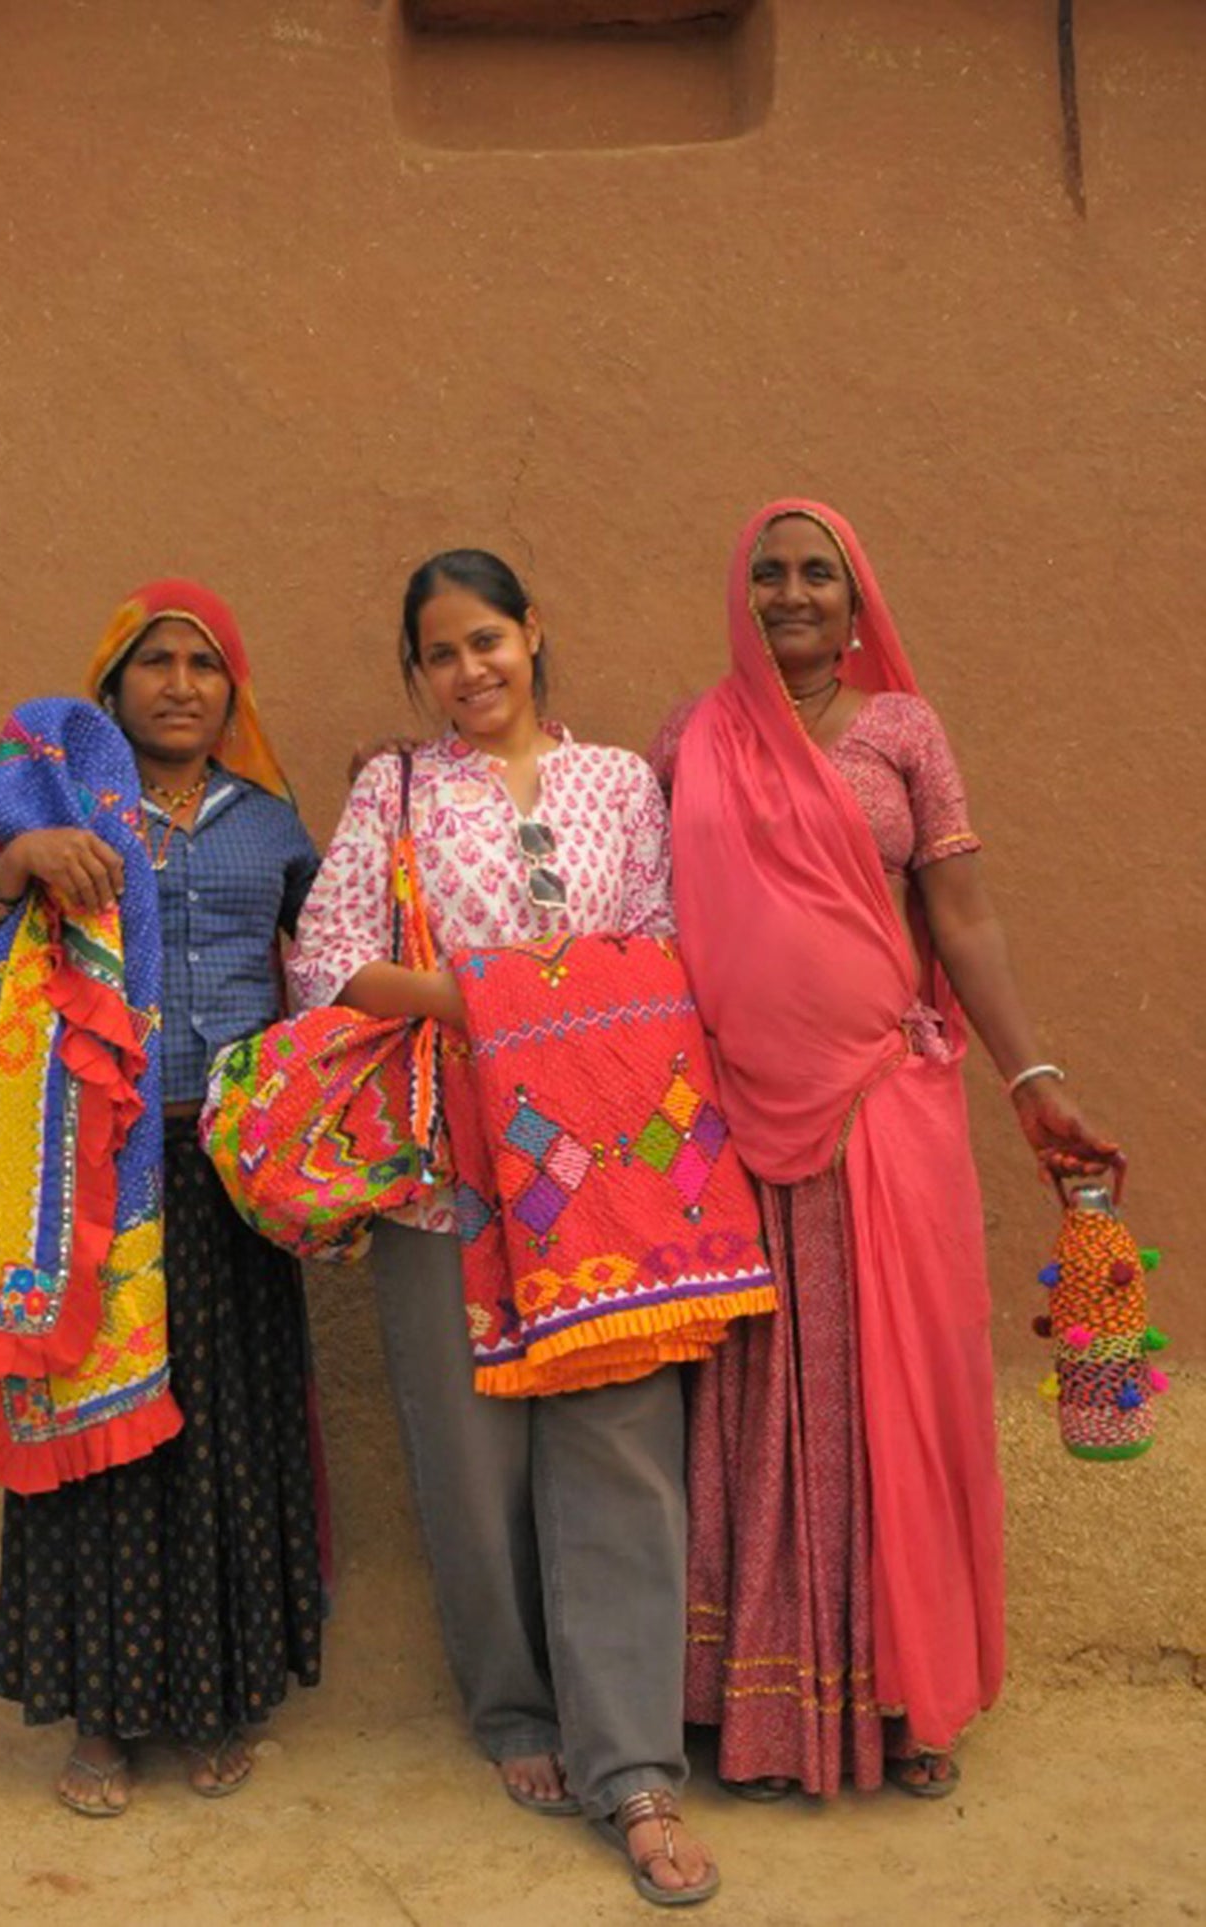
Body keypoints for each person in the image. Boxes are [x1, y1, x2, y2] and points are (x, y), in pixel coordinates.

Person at [0, 580, 325, 1816]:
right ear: (112, 682)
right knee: (95, 1436)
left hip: (231, 1180)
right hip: (88, 1182)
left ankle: (216, 1695)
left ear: (231, 690)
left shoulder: (277, 826)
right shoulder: (45, 809)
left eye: (206, 663)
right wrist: (12, 868)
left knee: (226, 1439)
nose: (182, 684)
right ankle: (100, 1715)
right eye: (155, 660)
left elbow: (315, 973)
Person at [657, 500, 1119, 1801]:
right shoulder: (688, 740)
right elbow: (612, 890)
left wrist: (1031, 1074)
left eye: (820, 573)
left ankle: (911, 1695)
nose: (792, 593)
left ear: (859, 605)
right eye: (769, 573)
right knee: (758, 1407)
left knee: (897, 1393)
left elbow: (962, 920)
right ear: (740, 597)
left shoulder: (904, 733)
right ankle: (756, 1710)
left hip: (881, 1107)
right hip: (735, 1124)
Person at [287, 550, 721, 1905]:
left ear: (535, 631)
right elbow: (327, 952)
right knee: (470, 1448)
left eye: (488, 640)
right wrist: (487, 1003)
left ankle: (632, 1756)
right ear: (416, 675)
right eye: (440, 655)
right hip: (443, 1161)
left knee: (623, 1440)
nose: (470, 671)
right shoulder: (393, 790)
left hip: (605, 1161)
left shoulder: (618, 786)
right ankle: (518, 1709)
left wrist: (547, 1016)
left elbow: (661, 938)